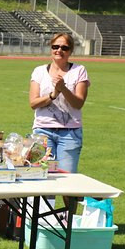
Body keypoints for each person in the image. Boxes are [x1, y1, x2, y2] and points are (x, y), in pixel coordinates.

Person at [28, 32, 89, 173]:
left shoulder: (79, 71)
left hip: (70, 133)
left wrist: (63, 89)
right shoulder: (39, 71)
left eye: (64, 48)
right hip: (42, 132)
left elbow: (78, 103)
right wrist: (54, 94)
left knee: (68, 181)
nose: (59, 50)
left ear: (71, 51)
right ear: (51, 48)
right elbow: (33, 103)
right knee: (41, 177)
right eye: (55, 46)